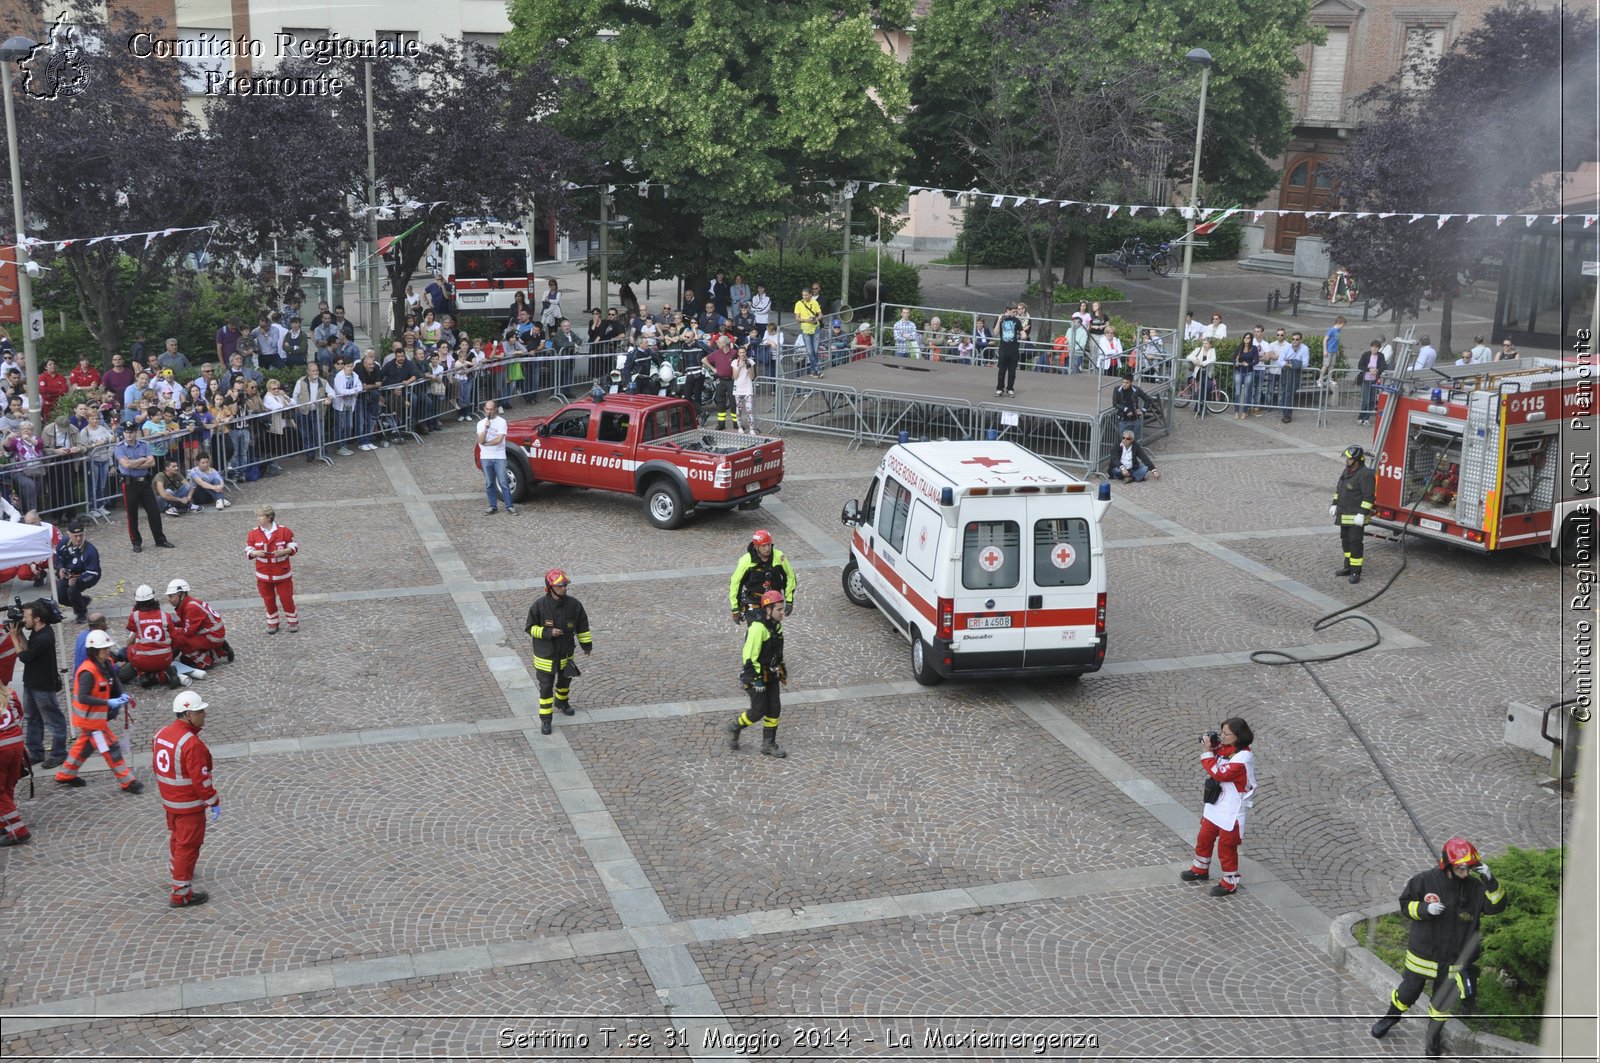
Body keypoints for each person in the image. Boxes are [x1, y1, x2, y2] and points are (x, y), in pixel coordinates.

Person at [1370, 837, 1507, 1057]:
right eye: (1461, 867)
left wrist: (1490, 880)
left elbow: (1496, 906)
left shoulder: (1476, 887)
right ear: (1448, 864)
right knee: (1407, 993)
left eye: (1469, 867)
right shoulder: (1423, 881)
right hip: (1423, 954)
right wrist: (1424, 909)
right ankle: (1391, 1017)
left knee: (1442, 1003)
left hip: (1454, 959)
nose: (1465, 872)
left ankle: (1433, 1037)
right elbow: (1405, 906)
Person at [152, 690, 220, 908]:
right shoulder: (191, 744)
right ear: (188, 714)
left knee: (177, 840)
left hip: (170, 801)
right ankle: (181, 893)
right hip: (188, 805)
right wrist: (213, 800)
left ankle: (178, 871)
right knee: (188, 846)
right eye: (200, 711)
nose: (204, 714)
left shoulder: (161, 734)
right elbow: (201, 780)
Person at [54, 628, 142, 793]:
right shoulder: (88, 671)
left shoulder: (105, 663)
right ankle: (127, 781)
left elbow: (114, 681)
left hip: (94, 719)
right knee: (111, 748)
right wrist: (109, 702)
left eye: (108, 648)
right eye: (105, 649)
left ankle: (65, 775)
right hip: (91, 720)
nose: (108, 651)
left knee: (84, 747)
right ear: (95, 651)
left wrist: (122, 694)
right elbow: (83, 697)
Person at [1179, 717, 1255, 896]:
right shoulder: (1228, 749)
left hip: (1233, 809)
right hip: (1218, 804)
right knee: (1204, 837)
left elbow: (1220, 774)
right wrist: (1212, 746)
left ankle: (1229, 883)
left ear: (1237, 736)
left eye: (1226, 734)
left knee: (1226, 846)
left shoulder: (1243, 758)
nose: (1222, 737)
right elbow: (1219, 755)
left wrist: (1207, 752)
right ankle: (1200, 868)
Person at [524, 568, 592, 735]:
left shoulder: (574, 605)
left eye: (565, 585)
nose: (563, 588)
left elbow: (582, 627)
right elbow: (529, 628)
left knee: (565, 681)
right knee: (546, 688)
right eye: (560, 586)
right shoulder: (539, 606)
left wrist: (586, 645)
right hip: (545, 656)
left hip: (565, 653)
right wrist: (548, 633)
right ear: (550, 587)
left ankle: (562, 703)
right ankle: (546, 719)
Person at [723, 589, 789, 758]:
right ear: (768, 610)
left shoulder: (776, 626)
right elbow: (749, 657)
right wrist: (757, 680)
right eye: (779, 609)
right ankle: (734, 727)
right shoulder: (757, 629)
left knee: (774, 709)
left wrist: (781, 668)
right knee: (758, 711)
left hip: (771, 674)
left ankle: (768, 744)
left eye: (782, 609)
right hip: (755, 677)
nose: (782, 612)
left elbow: (776, 651)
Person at [15, 598, 67, 770]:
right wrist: (19, 633)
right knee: (32, 719)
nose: (24, 619)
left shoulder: (44, 637)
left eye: (27, 616)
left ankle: (59, 753)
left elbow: (25, 656)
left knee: (53, 721)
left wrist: (12, 637)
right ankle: (35, 752)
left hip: (43, 686)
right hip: (31, 683)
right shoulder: (37, 633)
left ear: (37, 618)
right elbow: (29, 648)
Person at [122, 584, 201, 689]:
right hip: (165, 660)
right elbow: (175, 639)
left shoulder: (135, 616)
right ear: (153, 598)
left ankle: (144, 674)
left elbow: (130, 634)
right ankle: (161, 675)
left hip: (142, 661)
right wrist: (170, 652)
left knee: (128, 650)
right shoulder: (165, 615)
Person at [116, 421, 174, 553]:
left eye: (131, 432)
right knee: (132, 514)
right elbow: (126, 465)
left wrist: (135, 463)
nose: (128, 434)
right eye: (126, 432)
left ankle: (160, 539)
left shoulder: (144, 444)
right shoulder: (120, 447)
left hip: (144, 482)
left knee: (153, 511)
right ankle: (136, 542)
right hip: (129, 483)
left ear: (135, 432)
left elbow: (152, 462)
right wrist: (142, 460)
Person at [245, 504, 299, 634]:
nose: (258, 519)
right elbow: (248, 548)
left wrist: (285, 551)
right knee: (268, 599)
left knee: (286, 598)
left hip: (282, 573)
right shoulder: (253, 533)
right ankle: (272, 623)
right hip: (263, 574)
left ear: (269, 517)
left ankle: (292, 621)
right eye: (257, 516)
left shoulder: (284, 531)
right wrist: (254, 553)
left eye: (260, 516)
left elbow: (294, 546)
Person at [729, 529, 797, 623]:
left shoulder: (779, 557)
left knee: (773, 634)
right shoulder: (746, 561)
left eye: (769, 544)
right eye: (763, 545)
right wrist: (735, 609)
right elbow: (735, 584)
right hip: (754, 603)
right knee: (756, 633)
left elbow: (790, 577)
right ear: (756, 547)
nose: (767, 548)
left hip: (773, 603)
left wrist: (789, 600)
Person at [1332, 444, 1377, 584]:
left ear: (1357, 460)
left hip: (1356, 517)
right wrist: (1334, 503)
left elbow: (1369, 496)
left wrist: (1362, 514)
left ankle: (1356, 572)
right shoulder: (1347, 471)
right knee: (1345, 541)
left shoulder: (1366, 474)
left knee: (1355, 543)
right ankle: (1348, 567)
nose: (1347, 460)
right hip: (1344, 514)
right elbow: (1339, 488)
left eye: (1349, 458)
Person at [166, 579, 232, 670]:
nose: (169, 600)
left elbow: (188, 631)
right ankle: (219, 651)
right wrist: (173, 623)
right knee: (185, 659)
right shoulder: (189, 603)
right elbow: (189, 623)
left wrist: (172, 629)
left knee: (178, 638)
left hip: (212, 636)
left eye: (171, 596)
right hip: (213, 634)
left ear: (181, 595)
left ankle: (205, 662)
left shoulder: (190, 607)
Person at [54, 519, 101, 624]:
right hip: (69, 574)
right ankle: (82, 601)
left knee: (72, 590)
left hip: (86, 576)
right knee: (58, 594)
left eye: (81, 535)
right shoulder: (63, 544)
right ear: (69, 534)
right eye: (75, 536)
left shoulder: (90, 551)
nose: (78, 538)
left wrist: (78, 579)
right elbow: (58, 559)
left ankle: (81, 613)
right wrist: (60, 569)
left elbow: (94, 573)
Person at [0, 686, 29, 846]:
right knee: (7, 787)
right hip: (15, 744)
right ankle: (5, 824)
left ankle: (18, 830)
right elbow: (19, 715)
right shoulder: (9, 692)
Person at [478, 399, 514, 516]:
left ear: (495, 409)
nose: (489, 411)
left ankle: (509, 506)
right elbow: (480, 440)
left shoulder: (501, 422)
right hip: (485, 456)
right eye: (487, 409)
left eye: (491, 409)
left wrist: (485, 443)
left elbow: (499, 440)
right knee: (489, 482)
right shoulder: (480, 424)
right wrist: (485, 428)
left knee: (503, 481)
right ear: (484, 409)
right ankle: (492, 506)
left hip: (499, 456)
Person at [1110, 373, 1152, 442]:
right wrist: (1126, 410)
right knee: (1124, 442)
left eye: (1127, 383)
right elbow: (1115, 403)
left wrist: (1143, 411)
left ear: (1131, 382)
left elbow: (1148, 399)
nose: (1124, 384)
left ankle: (1133, 452)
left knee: (1134, 442)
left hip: (1135, 420)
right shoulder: (1117, 389)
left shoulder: (1136, 389)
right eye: (1123, 382)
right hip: (1122, 420)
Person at [1280, 332, 1311, 423]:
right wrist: (1292, 364)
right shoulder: (1287, 347)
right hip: (1286, 371)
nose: (1294, 341)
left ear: (1301, 340)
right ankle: (1284, 412)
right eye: (1293, 339)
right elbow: (1280, 361)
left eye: (1297, 339)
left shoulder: (1305, 348)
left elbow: (1305, 363)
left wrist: (1291, 363)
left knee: (1291, 392)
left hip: (1296, 372)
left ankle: (1288, 414)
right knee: (1285, 392)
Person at [1356, 340, 1386, 426]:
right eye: (1373, 346)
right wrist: (1369, 370)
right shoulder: (1366, 354)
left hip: (1374, 380)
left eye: (1376, 347)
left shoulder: (1381, 356)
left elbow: (1384, 365)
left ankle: (1366, 418)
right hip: (1365, 379)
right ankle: (1360, 417)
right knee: (1366, 400)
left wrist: (1377, 370)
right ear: (1370, 347)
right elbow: (1360, 365)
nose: (1374, 348)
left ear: (1379, 348)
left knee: (1372, 400)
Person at [1186, 339, 1217, 419]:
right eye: (1204, 343)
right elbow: (1189, 356)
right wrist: (1195, 360)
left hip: (1207, 372)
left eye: (1206, 343)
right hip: (1199, 372)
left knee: (1206, 387)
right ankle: (1200, 407)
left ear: (1210, 344)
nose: (1205, 345)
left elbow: (1213, 359)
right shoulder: (1198, 349)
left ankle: (1199, 407)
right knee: (1204, 387)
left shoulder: (1212, 351)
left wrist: (1203, 363)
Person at [995, 307, 1022, 397]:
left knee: (1012, 372)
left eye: (1015, 312)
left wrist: (1023, 334)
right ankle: (999, 389)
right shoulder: (1001, 319)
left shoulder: (1016, 321)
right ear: (1007, 310)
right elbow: (995, 332)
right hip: (1003, 349)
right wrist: (999, 320)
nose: (1014, 313)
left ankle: (1010, 388)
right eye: (1013, 312)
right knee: (1001, 371)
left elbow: (1022, 331)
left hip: (1013, 349)